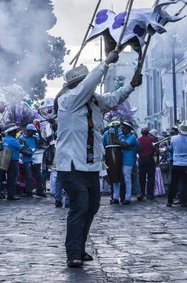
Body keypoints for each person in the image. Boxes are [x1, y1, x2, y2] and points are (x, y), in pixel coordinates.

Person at [55, 50, 140, 267]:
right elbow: (88, 83)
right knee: (79, 208)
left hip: (91, 166)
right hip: (72, 166)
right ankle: (73, 252)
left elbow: (114, 98)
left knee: (91, 208)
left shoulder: (93, 101)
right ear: (78, 85)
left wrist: (130, 85)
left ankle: (80, 248)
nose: (89, 87)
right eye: (85, 83)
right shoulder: (68, 99)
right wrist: (107, 62)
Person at [166, 121, 187, 208]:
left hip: (176, 163)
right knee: (186, 184)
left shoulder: (173, 138)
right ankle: (184, 202)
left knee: (173, 183)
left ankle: (169, 201)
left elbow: (171, 148)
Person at [110, 120, 139, 204]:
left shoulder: (132, 137)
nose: (122, 130)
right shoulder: (121, 136)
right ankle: (115, 197)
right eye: (122, 128)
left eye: (124, 128)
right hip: (119, 160)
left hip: (127, 160)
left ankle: (128, 198)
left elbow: (125, 145)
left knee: (127, 179)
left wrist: (118, 141)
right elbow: (122, 145)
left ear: (129, 129)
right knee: (116, 178)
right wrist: (117, 141)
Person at [20, 124, 45, 197]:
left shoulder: (34, 137)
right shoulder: (21, 138)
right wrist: (26, 153)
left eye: (34, 131)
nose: (33, 133)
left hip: (36, 159)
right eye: (32, 131)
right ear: (28, 131)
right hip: (27, 159)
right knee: (29, 176)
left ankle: (39, 191)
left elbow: (41, 143)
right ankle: (29, 192)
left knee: (39, 175)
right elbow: (19, 149)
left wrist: (40, 134)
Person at [2, 123, 23, 201]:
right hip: (13, 160)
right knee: (13, 178)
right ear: (11, 132)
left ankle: (10, 194)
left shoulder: (5, 139)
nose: (16, 132)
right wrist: (24, 143)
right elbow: (20, 148)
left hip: (6, 160)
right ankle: (11, 195)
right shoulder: (13, 140)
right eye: (14, 131)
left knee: (9, 178)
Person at [137, 126, 158, 200]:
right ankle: (150, 194)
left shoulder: (138, 139)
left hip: (141, 159)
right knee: (151, 177)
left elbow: (137, 149)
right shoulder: (152, 139)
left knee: (141, 177)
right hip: (150, 158)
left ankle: (141, 194)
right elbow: (156, 150)